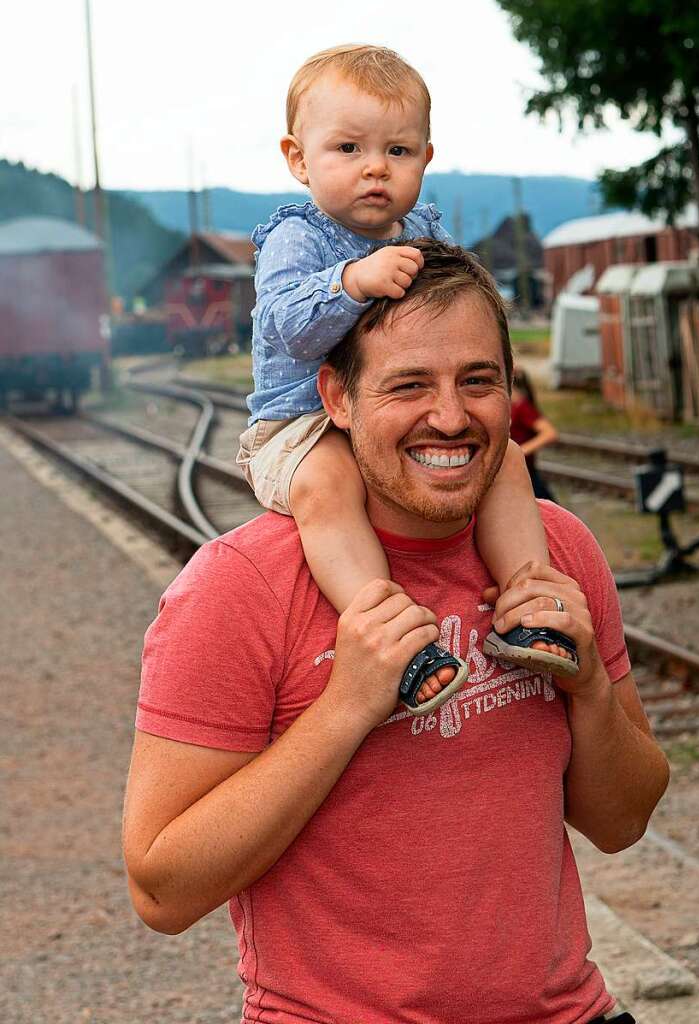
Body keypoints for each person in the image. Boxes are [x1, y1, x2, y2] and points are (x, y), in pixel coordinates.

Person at [124, 241, 669, 1024]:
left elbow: (621, 822)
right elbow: (162, 890)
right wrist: (346, 706)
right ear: (335, 399)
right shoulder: (238, 586)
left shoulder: (555, 551)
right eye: (407, 385)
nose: (449, 416)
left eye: (476, 381)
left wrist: (586, 690)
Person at [235, 43, 577, 705]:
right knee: (329, 486)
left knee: (504, 458)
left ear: (425, 157)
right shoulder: (297, 238)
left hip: (389, 415)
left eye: (397, 151)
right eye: (348, 150)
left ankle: (529, 602)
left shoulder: (419, 227)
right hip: (298, 425)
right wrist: (349, 283)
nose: (374, 170)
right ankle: (394, 639)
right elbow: (284, 324)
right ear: (297, 159)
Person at [510, 365, 559, 502]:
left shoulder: (522, 407)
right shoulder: (510, 407)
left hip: (526, 474)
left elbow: (549, 433)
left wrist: (520, 451)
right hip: (514, 474)